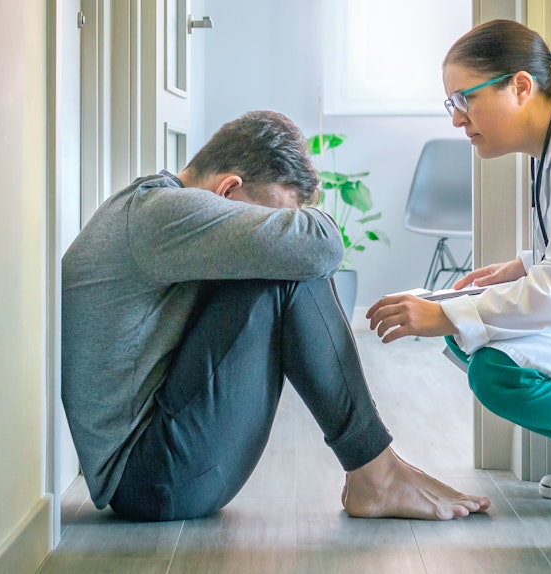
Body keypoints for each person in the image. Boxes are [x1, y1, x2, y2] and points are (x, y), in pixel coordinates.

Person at [62, 110, 492, 522]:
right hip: (151, 480)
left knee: (289, 257)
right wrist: (291, 231)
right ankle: (375, 473)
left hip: (159, 467)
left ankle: (376, 467)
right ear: (228, 192)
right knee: (289, 269)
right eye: (269, 216)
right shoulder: (163, 215)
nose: (268, 228)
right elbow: (321, 244)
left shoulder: (153, 208)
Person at [365, 19, 551, 499]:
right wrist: (526, 263)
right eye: (452, 104)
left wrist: (444, 312)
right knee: (470, 336)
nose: (457, 119)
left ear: (520, 86)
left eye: (466, 99)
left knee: (495, 370)